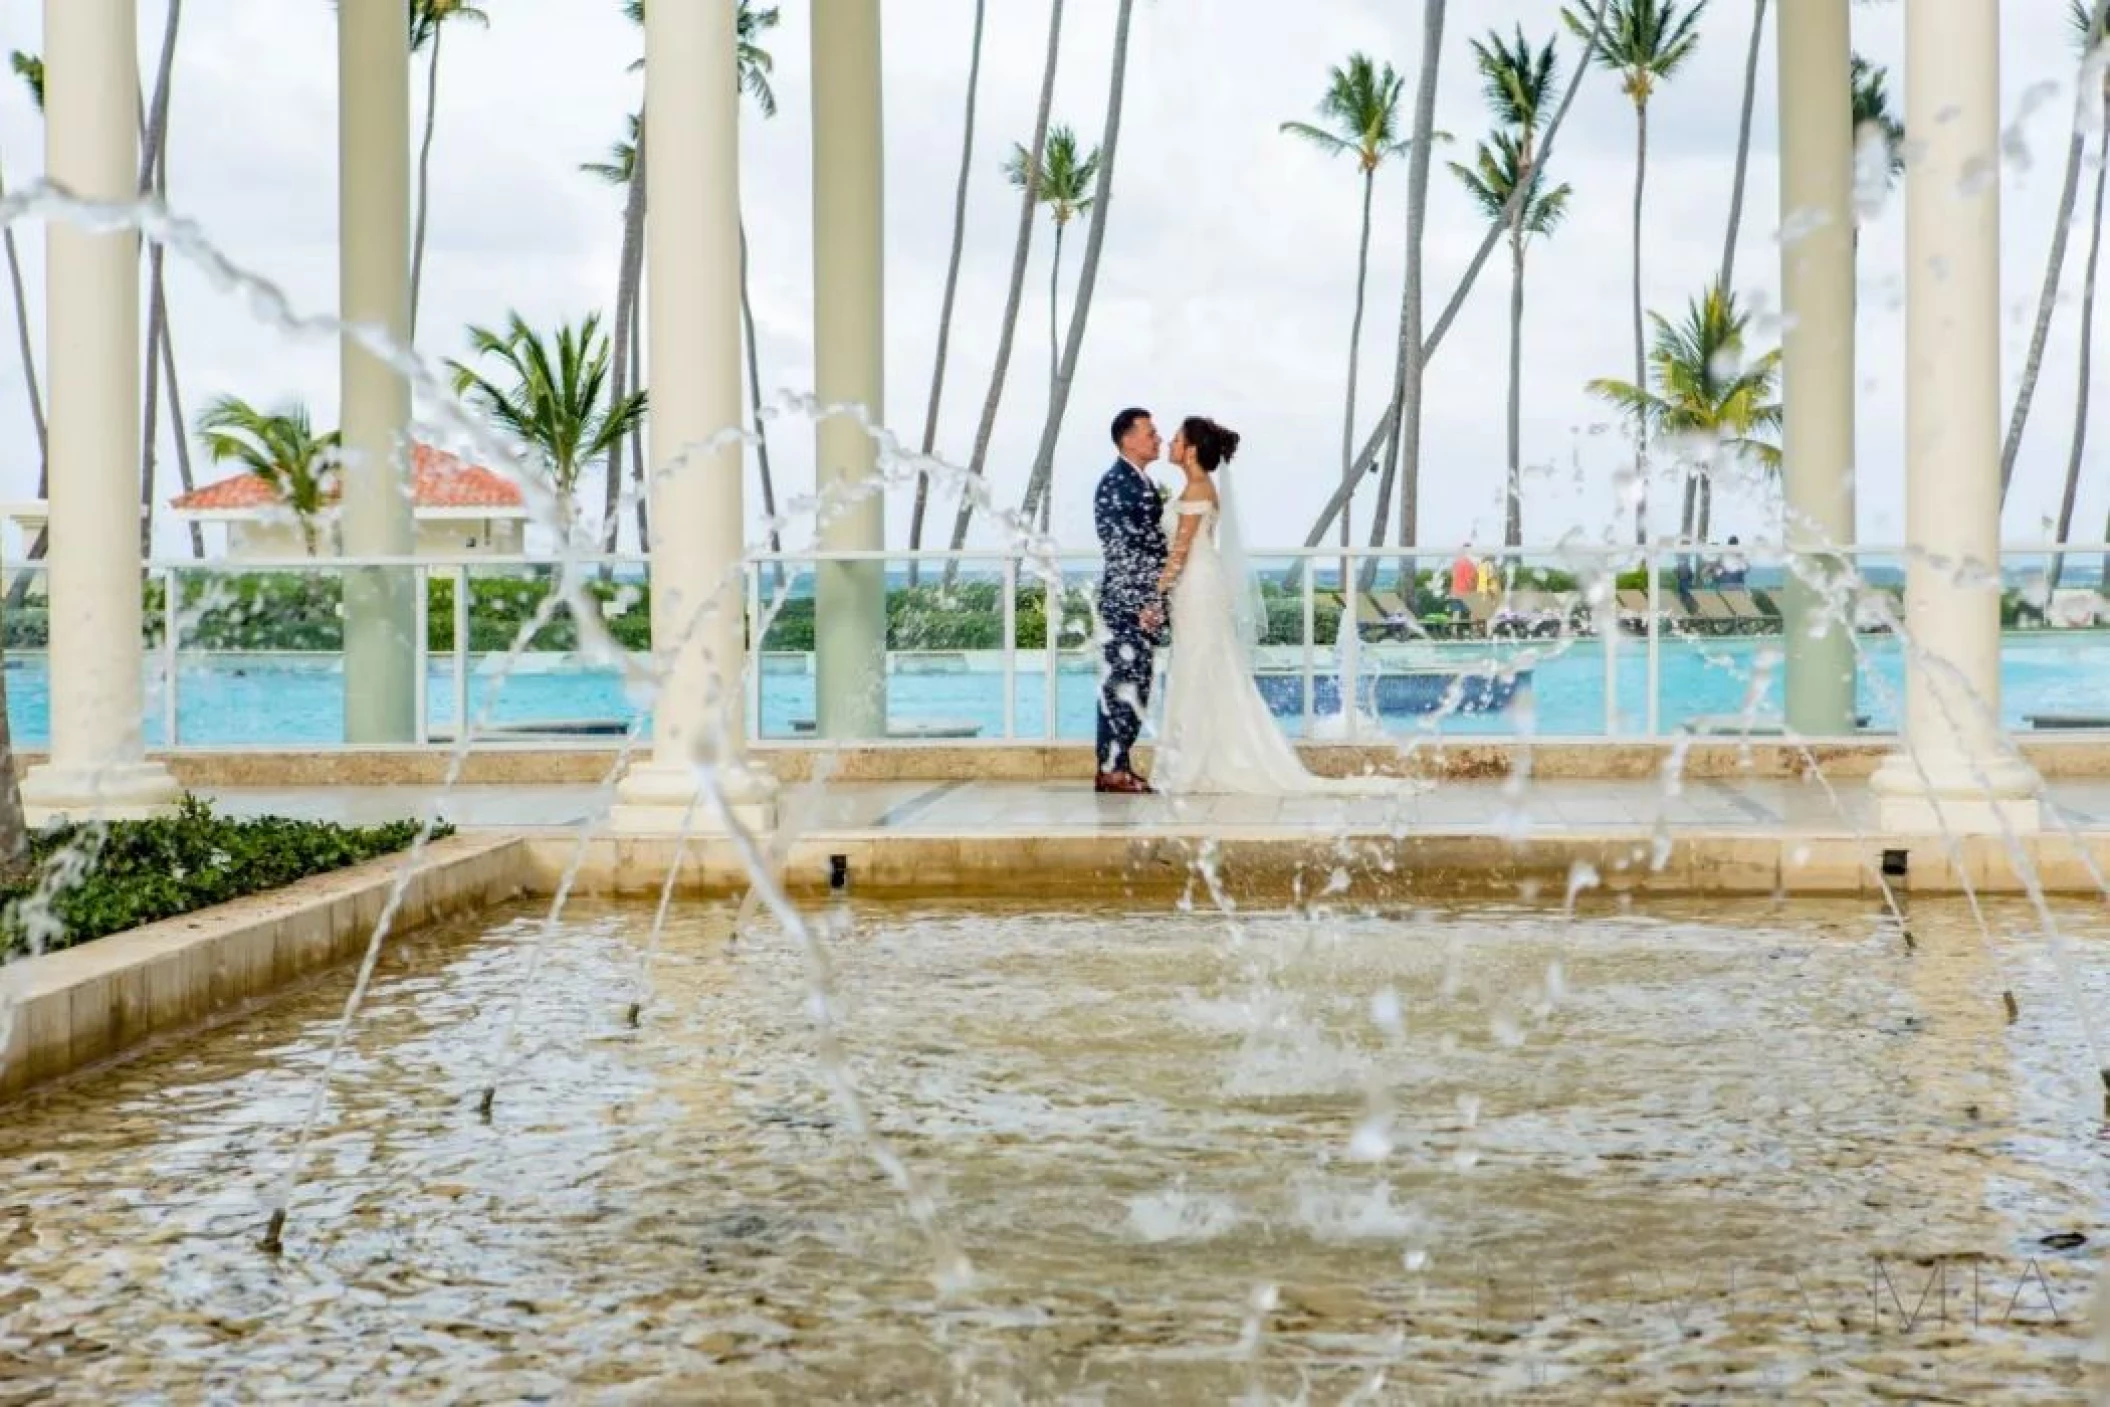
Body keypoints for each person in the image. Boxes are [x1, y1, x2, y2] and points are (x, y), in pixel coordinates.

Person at [1150, 415, 1432, 799]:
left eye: (1177, 439)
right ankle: (1205, 754)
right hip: (1197, 585)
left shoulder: (1198, 489)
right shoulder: (1198, 487)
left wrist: (1154, 594)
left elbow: (1180, 552)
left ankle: (1199, 759)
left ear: (1192, 450)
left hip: (1196, 586)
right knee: (1203, 665)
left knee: (1200, 666)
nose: (1170, 443)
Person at [1091, 407, 1168, 794]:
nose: (1158, 438)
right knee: (1123, 685)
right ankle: (1112, 768)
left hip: (1134, 602)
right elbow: (1124, 552)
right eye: (1150, 433)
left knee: (1136, 684)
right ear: (1128, 439)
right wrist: (1144, 604)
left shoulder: (1139, 482)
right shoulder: (1118, 483)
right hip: (1127, 605)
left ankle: (1117, 764)